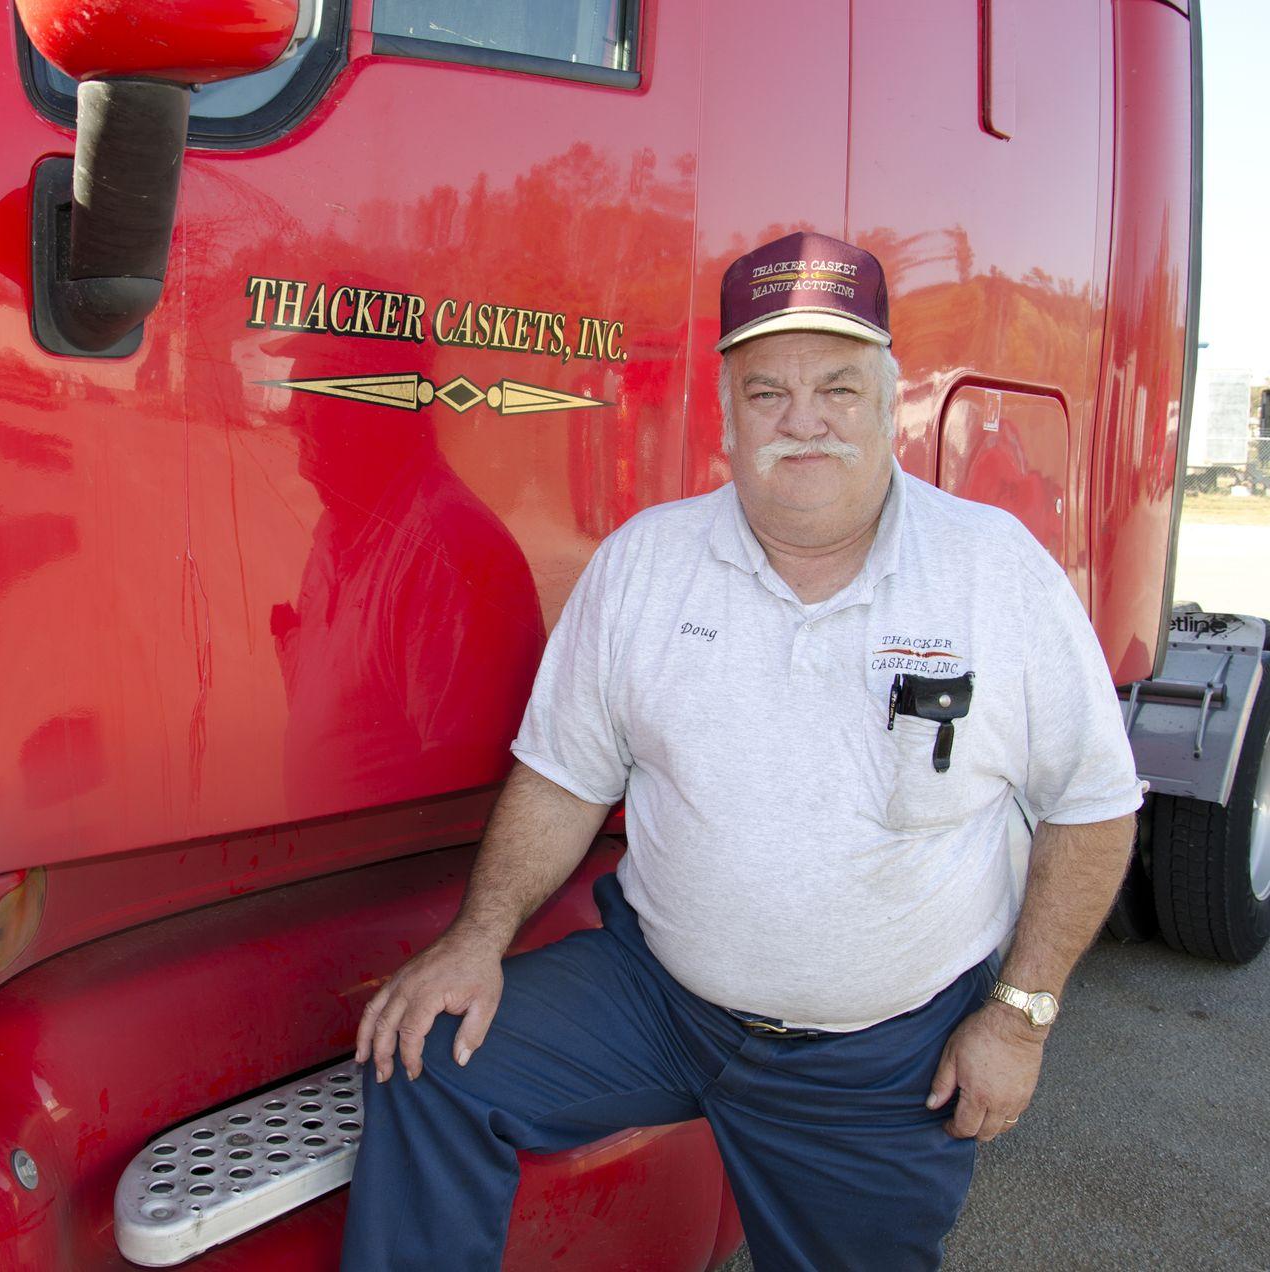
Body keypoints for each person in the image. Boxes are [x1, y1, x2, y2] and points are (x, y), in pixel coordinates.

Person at [339, 232, 1143, 1271]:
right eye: (768, 393)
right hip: (657, 999)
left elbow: (1092, 807)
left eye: (838, 387)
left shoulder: (995, 574)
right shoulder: (647, 562)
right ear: (725, 414)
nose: (804, 419)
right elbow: (564, 779)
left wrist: (1021, 1019)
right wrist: (475, 940)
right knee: (427, 1058)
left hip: (878, 1061)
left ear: (888, 400)